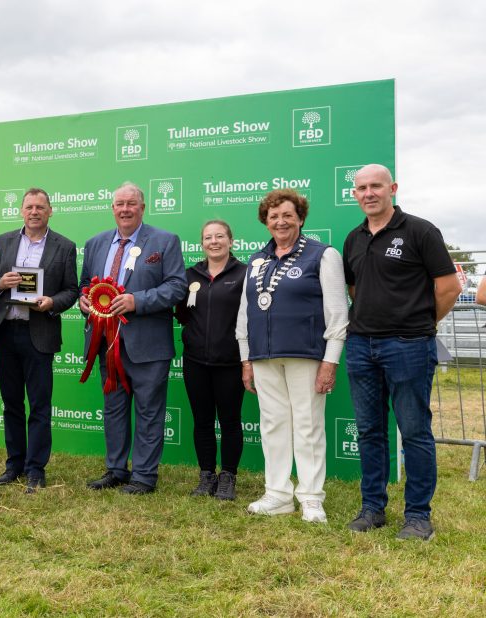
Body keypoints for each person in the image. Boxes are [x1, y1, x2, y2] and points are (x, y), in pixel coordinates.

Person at [343, 164, 461, 541]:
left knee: (414, 431)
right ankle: (372, 508)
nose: (368, 193)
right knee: (369, 430)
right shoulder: (353, 238)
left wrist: (424, 324)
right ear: (355, 194)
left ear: (392, 188)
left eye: (376, 185)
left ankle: (417, 516)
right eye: (361, 187)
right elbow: (355, 290)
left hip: (409, 345)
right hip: (361, 345)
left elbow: (448, 288)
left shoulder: (420, 231)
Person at [236, 188, 348, 523]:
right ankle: (278, 495)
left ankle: (312, 498)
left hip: (307, 355)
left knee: (308, 425)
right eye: (274, 216)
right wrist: (245, 358)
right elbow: (245, 312)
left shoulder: (323, 255)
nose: (281, 221)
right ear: (265, 222)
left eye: (287, 215)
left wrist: (331, 361)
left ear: (300, 217)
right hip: (263, 356)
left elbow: (338, 313)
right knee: (273, 425)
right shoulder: (257, 260)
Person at [79, 181, 187, 494]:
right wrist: (84, 301)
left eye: (131, 204)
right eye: (119, 204)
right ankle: (116, 469)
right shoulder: (96, 243)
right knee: (113, 408)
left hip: (148, 345)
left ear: (142, 208)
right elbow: (86, 284)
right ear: (112, 209)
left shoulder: (165, 241)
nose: (125, 209)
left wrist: (136, 301)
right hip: (105, 343)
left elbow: (177, 286)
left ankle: (143, 476)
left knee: (149, 412)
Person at [0, 188, 79, 494]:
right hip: (6, 332)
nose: (34, 211)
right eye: (29, 207)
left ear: (50, 211)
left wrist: (53, 302)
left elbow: (72, 291)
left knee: (39, 405)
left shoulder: (65, 246)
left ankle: (36, 469)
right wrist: (1, 283)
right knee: (11, 404)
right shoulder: (4, 241)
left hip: (40, 333)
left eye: (40, 207)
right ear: (21, 211)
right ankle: (14, 465)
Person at [175, 221, 246, 500]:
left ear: (231, 241)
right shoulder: (190, 274)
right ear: (202, 243)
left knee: (230, 421)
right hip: (195, 361)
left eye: (219, 236)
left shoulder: (244, 273)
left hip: (230, 362)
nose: (213, 241)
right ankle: (206, 476)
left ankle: (228, 476)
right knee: (202, 421)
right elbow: (181, 312)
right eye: (208, 237)